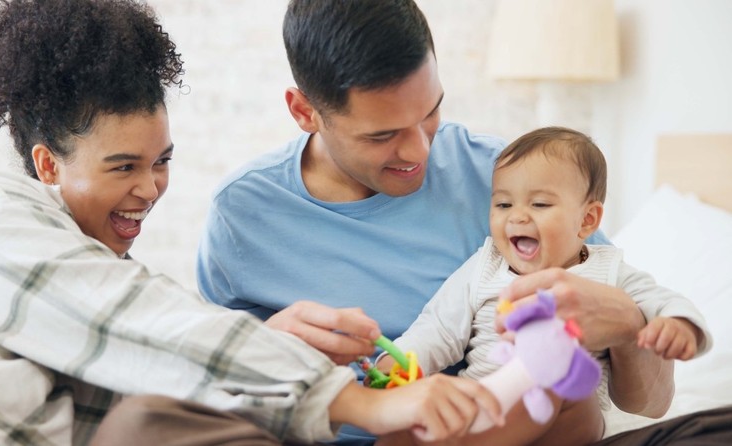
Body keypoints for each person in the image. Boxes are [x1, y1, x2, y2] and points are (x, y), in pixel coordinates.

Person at [0, 0, 503, 445]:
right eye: (123, 165)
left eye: (162, 161)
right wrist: (365, 404)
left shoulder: (500, 176)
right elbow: (135, 323)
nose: (149, 189)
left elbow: (148, 361)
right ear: (46, 164)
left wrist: (270, 336)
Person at [196, 0, 682, 443]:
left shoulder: (509, 184)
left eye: (431, 112)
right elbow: (212, 397)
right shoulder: (242, 218)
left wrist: (627, 322)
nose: (419, 151)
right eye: (382, 134)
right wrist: (268, 353)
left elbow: (651, 403)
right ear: (304, 111)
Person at [373, 127, 712, 445]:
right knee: (401, 424)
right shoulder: (485, 266)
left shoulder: (610, 272)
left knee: (557, 375)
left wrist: (679, 326)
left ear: (587, 220)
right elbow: (439, 329)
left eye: (539, 204)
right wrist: (401, 363)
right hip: (484, 404)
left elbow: (665, 302)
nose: (517, 216)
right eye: (503, 204)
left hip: (567, 423)